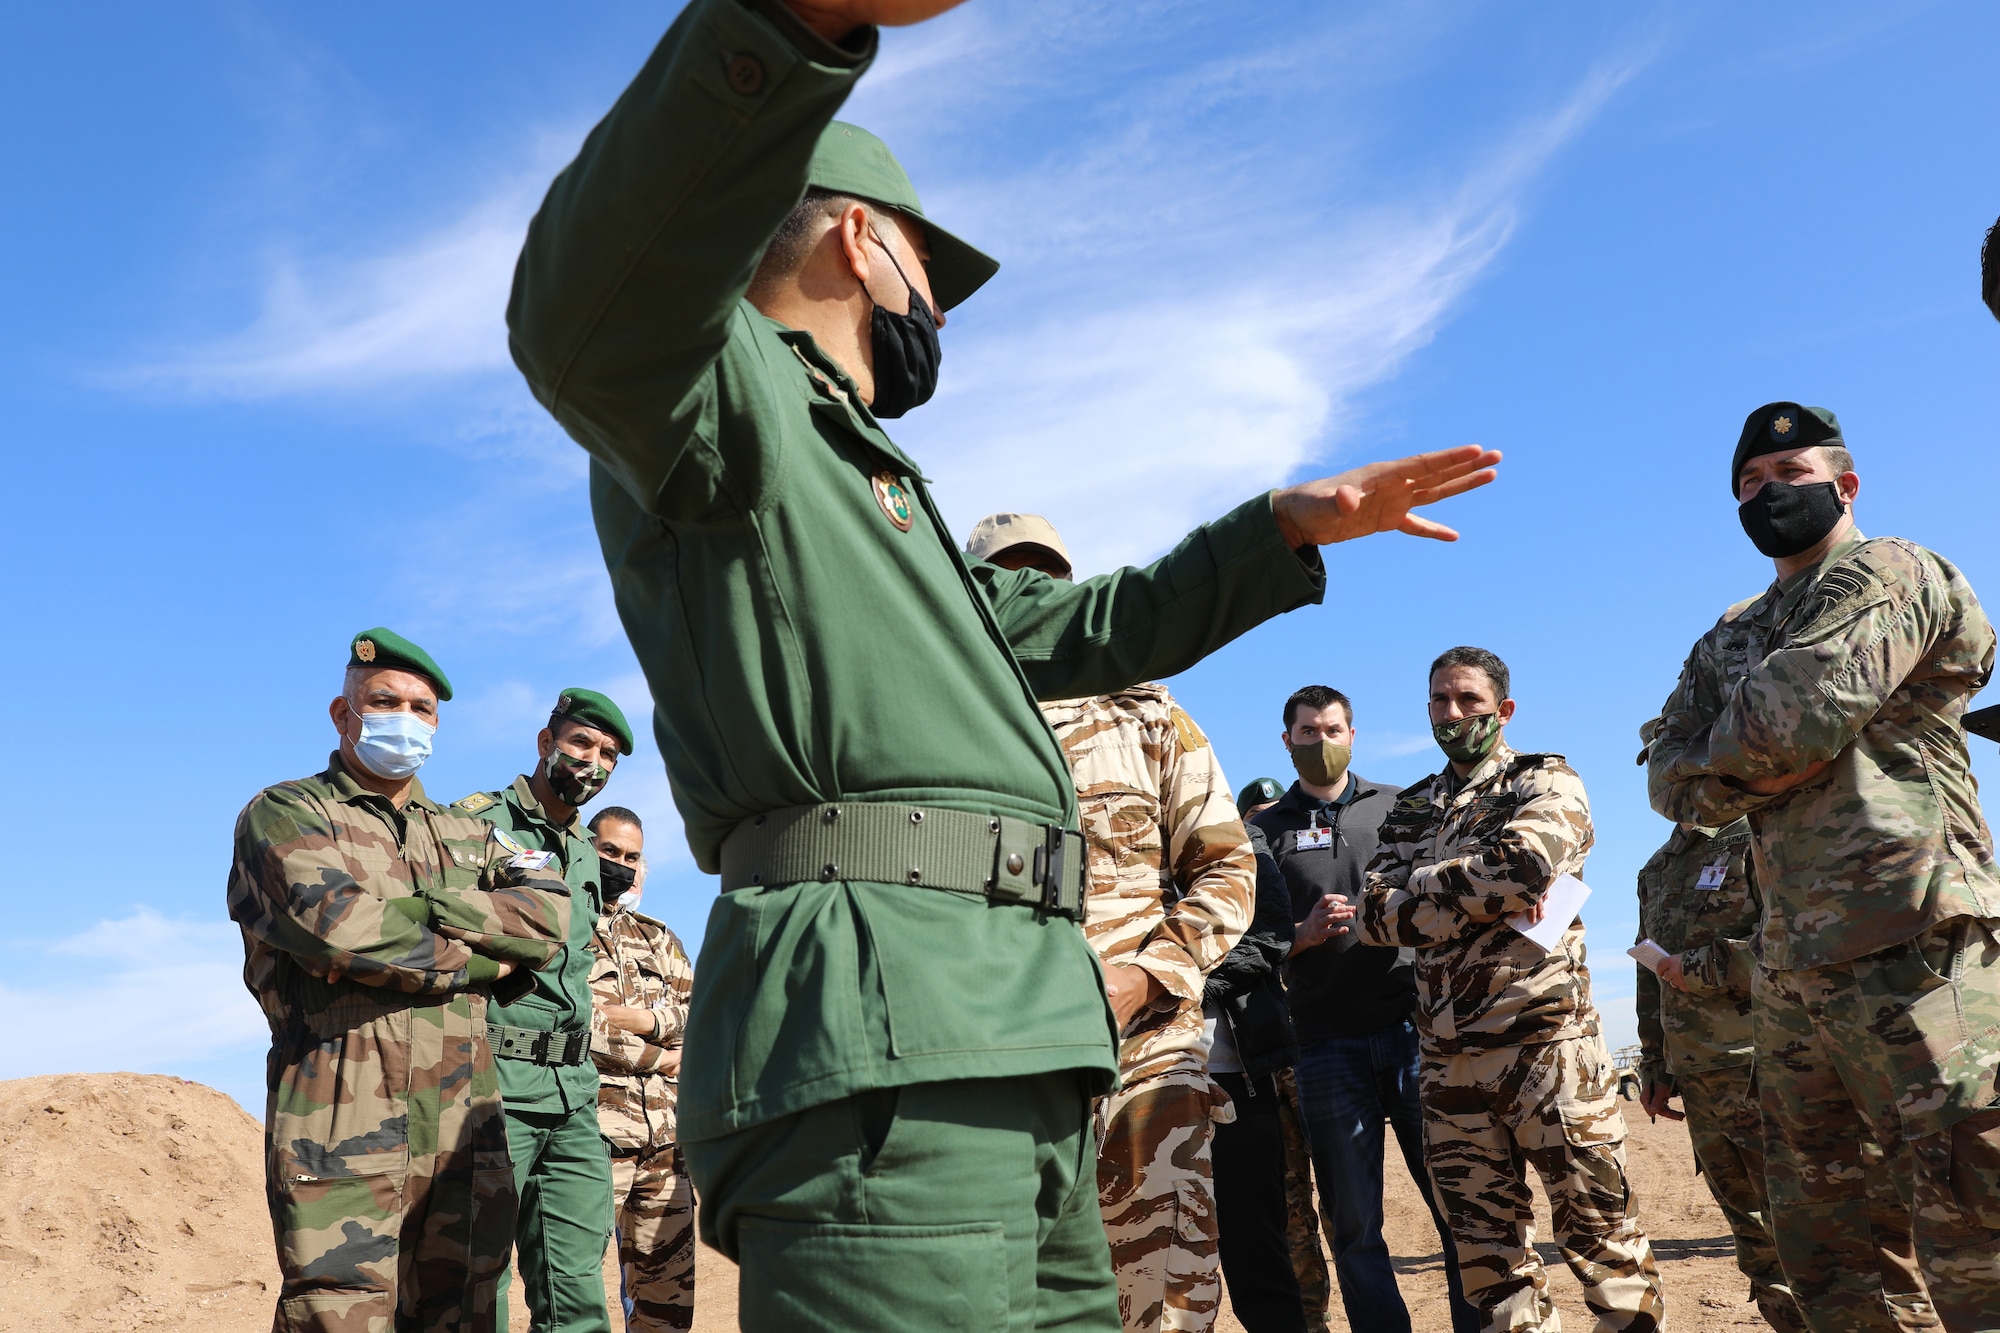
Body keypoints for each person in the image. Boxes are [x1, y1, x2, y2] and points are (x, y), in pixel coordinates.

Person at [506, 0, 1500, 1322]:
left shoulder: (877, 490)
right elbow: (582, 306)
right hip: (884, 1040)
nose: (936, 306)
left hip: (1013, 1039)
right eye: (926, 263)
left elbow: (1090, 628)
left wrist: (1278, 532)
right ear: (862, 241)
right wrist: (785, 26)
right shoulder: (727, 409)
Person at [1649, 403, 2000, 1332]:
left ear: (1845, 484)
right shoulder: (1731, 631)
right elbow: (1663, 766)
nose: (1771, 493)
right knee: (1826, 1247)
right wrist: (1727, 761)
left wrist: (1723, 765)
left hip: (1917, 937)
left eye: (1792, 472)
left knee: (1976, 1229)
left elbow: (1787, 723)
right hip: (1789, 966)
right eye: (1751, 485)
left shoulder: (1891, 570)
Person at [225, 628, 573, 1332]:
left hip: (462, 1132)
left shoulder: (468, 834)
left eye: (420, 706)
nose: (403, 717)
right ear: (342, 712)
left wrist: (425, 912)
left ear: (438, 723)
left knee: (466, 1313)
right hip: (341, 1120)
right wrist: (482, 954)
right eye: (383, 700)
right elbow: (339, 928)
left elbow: (549, 910)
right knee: (336, 1313)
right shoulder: (288, 813)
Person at [973, 511, 1253, 1333]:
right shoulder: (948, 723)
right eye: (1003, 578)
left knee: (1165, 1293)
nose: (1028, 593)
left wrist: (1148, 975)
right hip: (999, 1051)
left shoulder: (1148, 713)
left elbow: (1229, 867)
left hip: (1146, 1044)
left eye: (1045, 577)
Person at [1356, 647, 1664, 1333]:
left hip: (1546, 1051)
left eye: (1467, 699)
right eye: (1440, 699)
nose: (1452, 713)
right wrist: (1479, 891)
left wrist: (1425, 888)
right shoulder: (1411, 808)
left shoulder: (1544, 780)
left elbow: (1524, 867)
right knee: (1489, 1261)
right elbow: (1375, 916)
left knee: (1601, 1239)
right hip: (1448, 1064)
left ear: (1504, 708)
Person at [1631, 727, 1939, 1333]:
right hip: (1704, 1080)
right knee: (1760, 1251)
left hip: (1775, 1068)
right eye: (1661, 768)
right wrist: (1656, 1063)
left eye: (1683, 764)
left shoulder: (1764, 835)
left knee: (1846, 1251)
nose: (1673, 778)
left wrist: (1703, 967)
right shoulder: (1656, 869)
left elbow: (1803, 934)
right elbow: (1651, 974)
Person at [1250, 685, 1478, 1333]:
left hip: (1413, 1031)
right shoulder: (1261, 831)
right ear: (1286, 739)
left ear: (1354, 733)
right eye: (1307, 731)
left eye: (1332, 729)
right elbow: (1242, 939)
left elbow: (1455, 888)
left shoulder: (1402, 806)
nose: (1320, 742)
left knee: (1455, 1207)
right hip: (1322, 1046)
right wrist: (1301, 933)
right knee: (1355, 1228)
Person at [452, 688, 634, 1333]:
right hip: (494, 1087)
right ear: (545, 741)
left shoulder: (584, 849)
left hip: (574, 1096)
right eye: (582, 742)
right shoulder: (475, 824)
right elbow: (439, 929)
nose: (593, 760)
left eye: (608, 753)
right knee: (477, 1279)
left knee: (576, 1283)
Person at [586, 807, 697, 1333]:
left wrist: (646, 1018)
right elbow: (586, 1030)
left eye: (632, 857)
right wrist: (668, 1051)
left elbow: (703, 1019)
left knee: (667, 1302)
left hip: (667, 1145)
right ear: (585, 847)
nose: (622, 865)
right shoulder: (558, 927)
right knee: (573, 1288)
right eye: (610, 852)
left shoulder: (660, 938)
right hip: (592, 1140)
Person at [1201, 821, 1313, 1333]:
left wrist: (1174, 980)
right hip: (1135, 1083)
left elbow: (1271, 933)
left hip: (1236, 1079)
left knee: (1258, 1252)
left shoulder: (1243, 837)